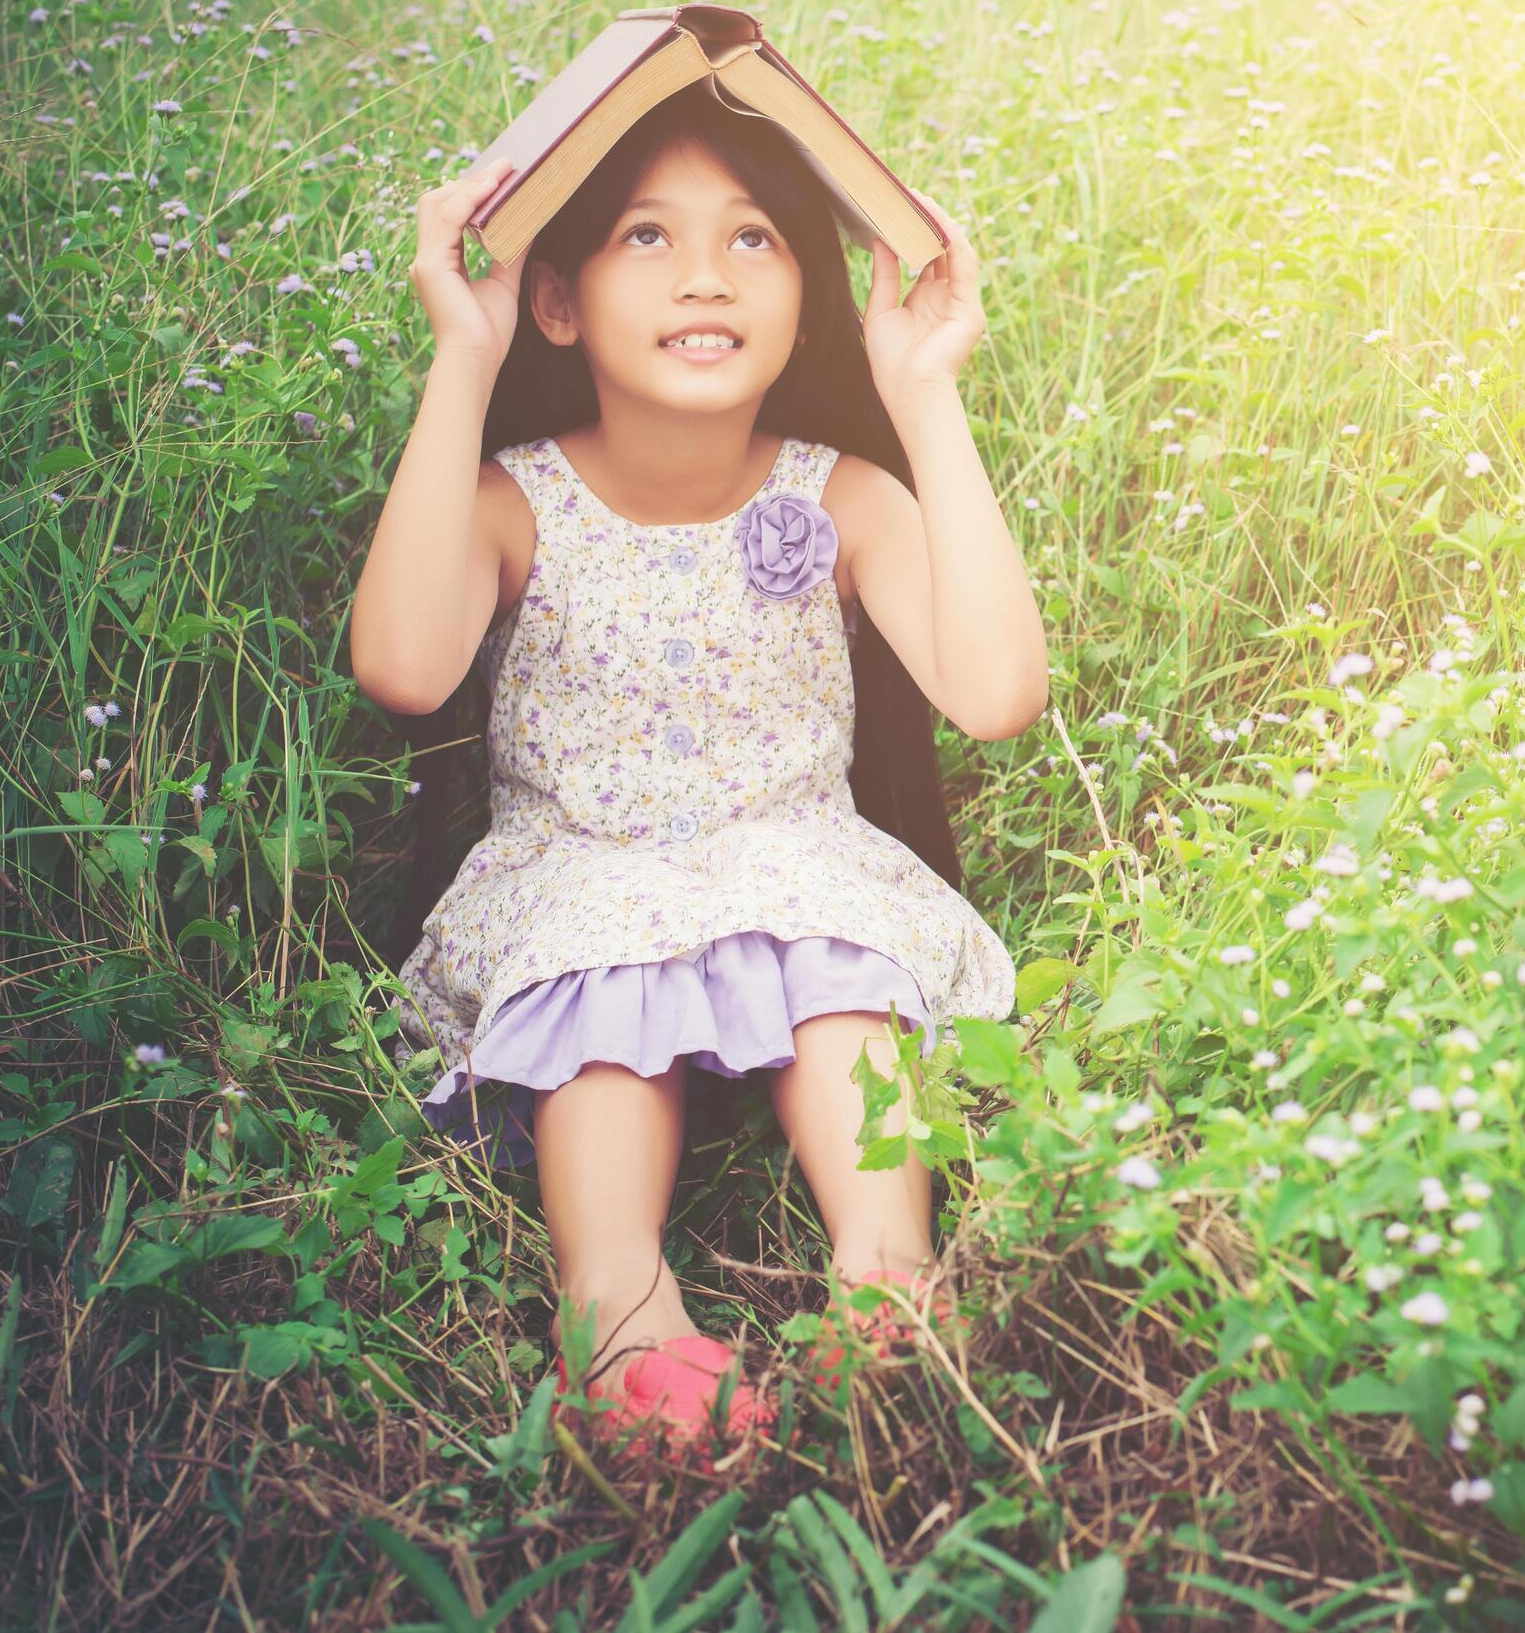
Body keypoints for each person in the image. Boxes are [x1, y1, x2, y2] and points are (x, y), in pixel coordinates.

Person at [348, 77, 1044, 1455]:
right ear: (559, 297)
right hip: (588, 871)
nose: (705, 276)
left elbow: (998, 693)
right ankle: (617, 1306)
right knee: (605, 1007)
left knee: (843, 977)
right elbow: (404, 667)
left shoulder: (837, 491)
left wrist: (923, 393)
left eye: (755, 240)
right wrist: (460, 358)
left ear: (806, 298)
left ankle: (890, 1277)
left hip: (793, 859)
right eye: (648, 240)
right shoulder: (516, 498)